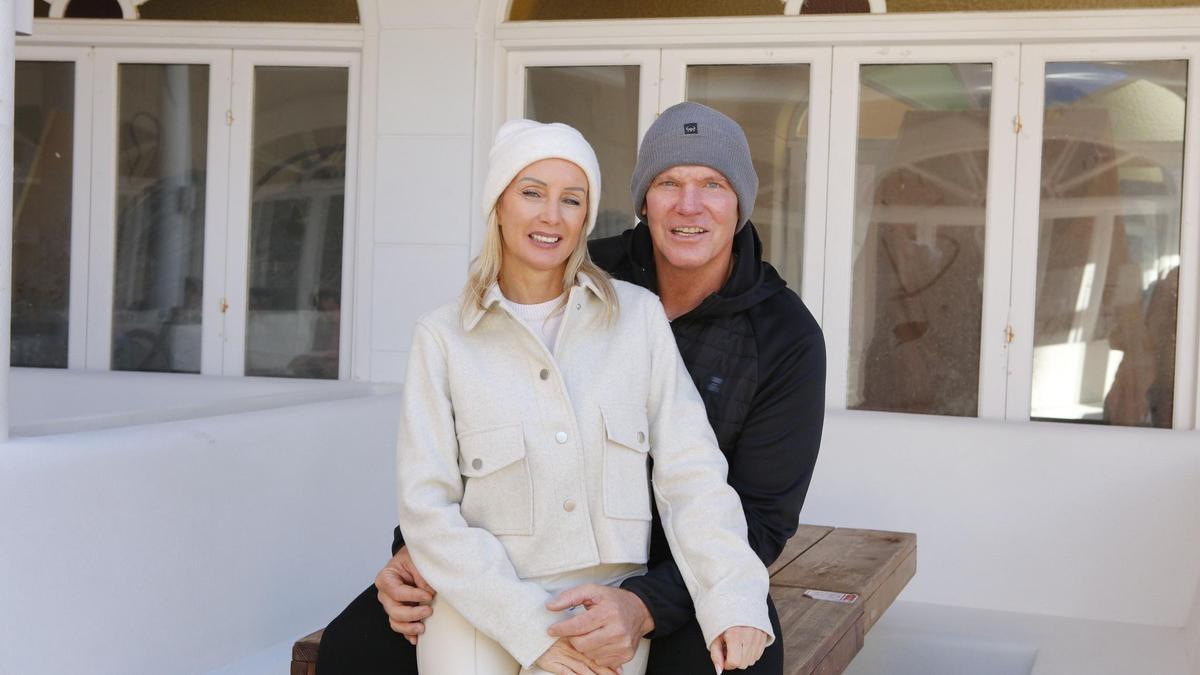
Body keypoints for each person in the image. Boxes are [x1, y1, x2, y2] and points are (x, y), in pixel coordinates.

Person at [317, 102, 826, 674]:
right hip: (500, 564)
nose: (690, 204)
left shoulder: (777, 335)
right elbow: (435, 482)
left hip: (657, 570)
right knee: (351, 648)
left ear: (739, 205)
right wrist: (416, 552)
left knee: (739, 662)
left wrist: (657, 603)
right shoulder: (547, 280)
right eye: (668, 183)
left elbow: (734, 504)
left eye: (713, 183)